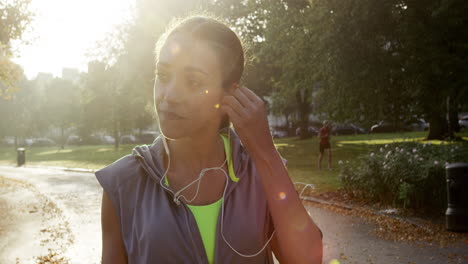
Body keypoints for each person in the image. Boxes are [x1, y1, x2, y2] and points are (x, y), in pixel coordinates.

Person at [96, 15, 322, 264]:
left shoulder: (257, 174)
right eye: (163, 75)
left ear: (229, 94)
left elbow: (308, 260)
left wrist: (265, 151)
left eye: (193, 81)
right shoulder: (123, 182)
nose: (169, 95)